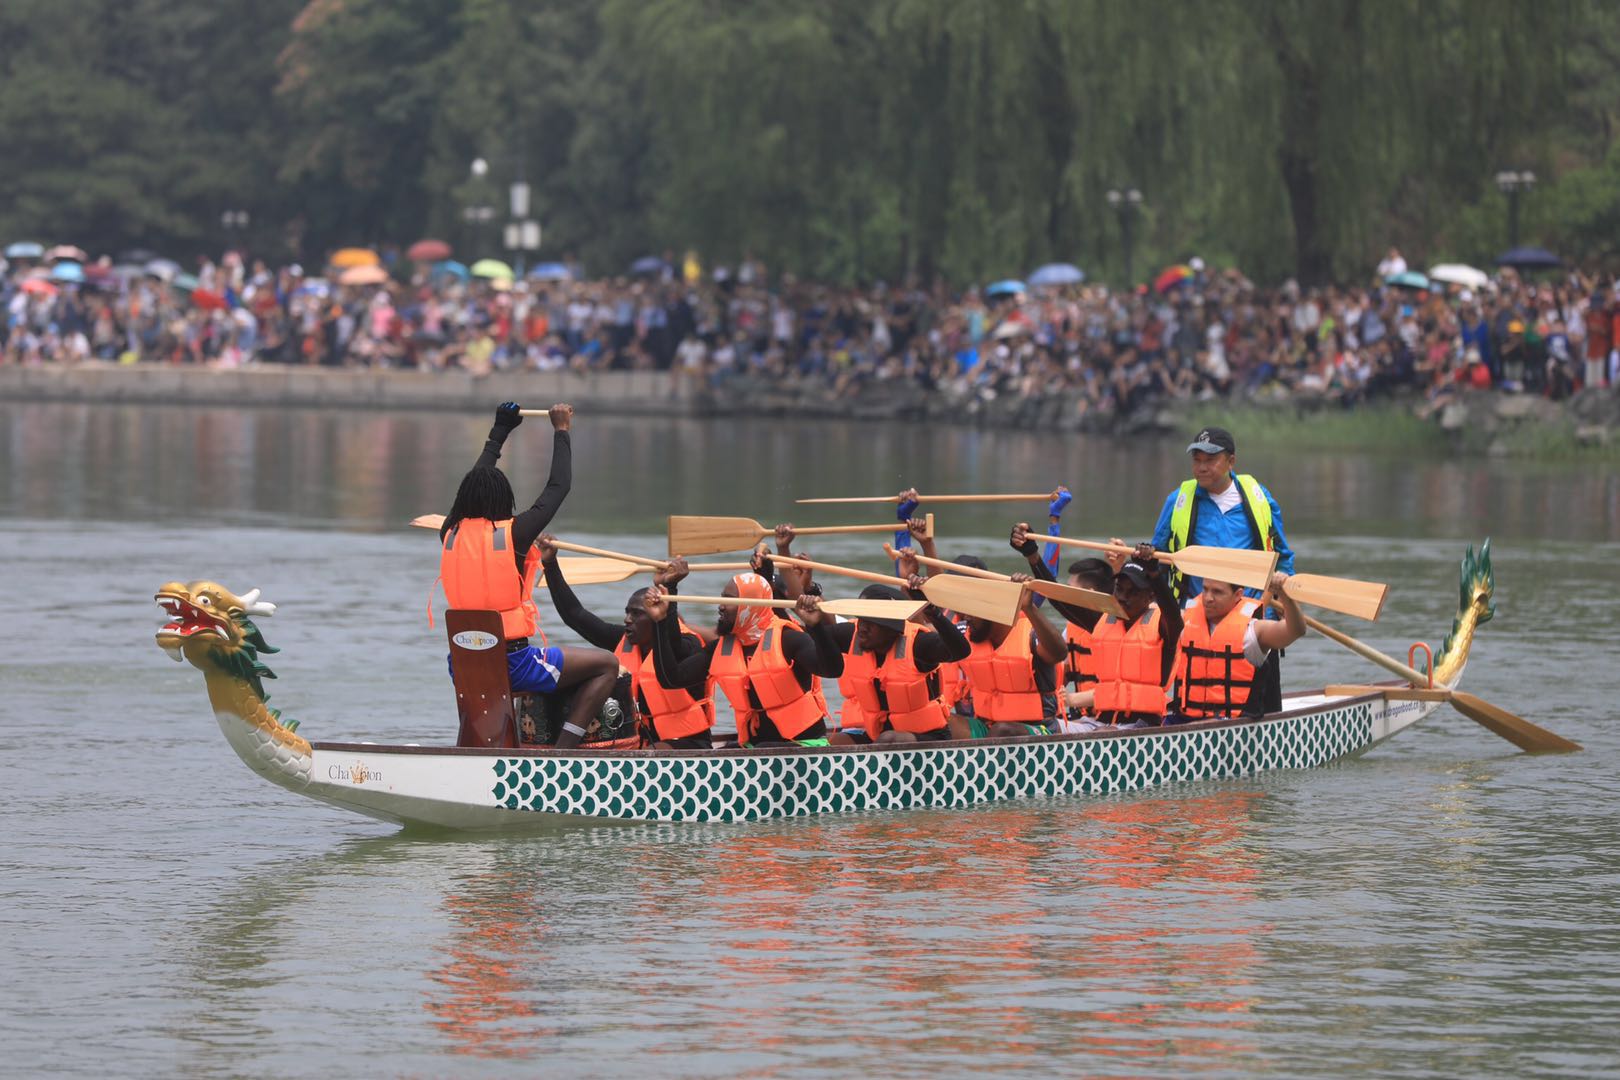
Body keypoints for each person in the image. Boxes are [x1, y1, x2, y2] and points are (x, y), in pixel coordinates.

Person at [438, 401, 618, 748]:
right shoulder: (516, 534)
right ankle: (561, 756)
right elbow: (558, 487)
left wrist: (499, 432)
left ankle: (479, 745)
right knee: (607, 664)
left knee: (556, 665)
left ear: (464, 497)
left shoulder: (449, 532)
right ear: (502, 497)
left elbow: (475, 481)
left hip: (462, 665)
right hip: (513, 663)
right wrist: (561, 431)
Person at [538, 539, 716, 749]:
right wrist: (550, 564)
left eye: (637, 614)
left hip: (689, 744)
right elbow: (574, 615)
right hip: (640, 744)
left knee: (653, 752)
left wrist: (670, 587)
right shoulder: (624, 640)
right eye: (627, 612)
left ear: (655, 614)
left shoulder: (688, 644)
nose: (627, 620)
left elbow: (672, 638)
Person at [645, 572, 843, 747]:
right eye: (723, 598)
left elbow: (833, 670)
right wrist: (659, 621)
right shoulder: (722, 648)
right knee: (741, 752)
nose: (721, 606)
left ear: (750, 606)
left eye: (729, 600)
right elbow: (671, 680)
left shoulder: (789, 639)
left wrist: (816, 628)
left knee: (765, 748)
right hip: (754, 749)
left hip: (805, 746)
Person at [1150, 426, 1295, 605]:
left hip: (1249, 611)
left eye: (1210, 460)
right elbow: (1157, 556)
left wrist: (1284, 600)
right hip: (1195, 610)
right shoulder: (1177, 500)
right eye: (1197, 460)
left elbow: (1282, 555)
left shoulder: (1260, 497)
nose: (1201, 468)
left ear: (1231, 461)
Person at [1008, 522, 1123, 728]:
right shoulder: (1072, 629)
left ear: (1091, 594)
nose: (1066, 594)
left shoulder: (1113, 624)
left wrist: (1033, 557)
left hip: (1109, 724)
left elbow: (1057, 600)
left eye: (1070, 589)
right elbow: (1059, 672)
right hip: (1081, 720)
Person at [826, 579, 970, 744]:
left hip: (928, 738)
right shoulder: (856, 634)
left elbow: (961, 651)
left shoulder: (918, 644)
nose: (863, 628)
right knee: (838, 741)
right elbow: (817, 636)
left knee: (889, 738)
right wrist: (812, 622)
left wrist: (934, 613)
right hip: (878, 735)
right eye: (861, 620)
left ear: (891, 629)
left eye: (872, 623)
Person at [947, 564, 1068, 738]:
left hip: (1038, 730)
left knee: (1003, 731)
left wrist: (1029, 608)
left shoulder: (1031, 635)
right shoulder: (966, 632)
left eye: (972, 612)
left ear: (994, 611)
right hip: (986, 726)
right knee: (941, 723)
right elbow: (924, 637)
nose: (965, 617)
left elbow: (1059, 653)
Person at [1169, 572, 1305, 722]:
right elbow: (1148, 606)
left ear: (1237, 595)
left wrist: (1285, 596)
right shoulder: (1183, 622)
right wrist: (1148, 570)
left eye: (1217, 592)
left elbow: (1295, 631)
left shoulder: (1253, 630)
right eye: (1205, 589)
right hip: (1185, 720)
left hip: (1234, 727)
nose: (1208, 598)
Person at [1090, 544, 1185, 728]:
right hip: (1101, 724)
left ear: (1150, 597)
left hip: (1143, 727)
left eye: (1132, 592)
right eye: (1119, 589)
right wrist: (1033, 556)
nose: (1123, 597)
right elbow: (1060, 603)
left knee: (1105, 732)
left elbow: (1174, 616)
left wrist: (1155, 574)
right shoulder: (1104, 621)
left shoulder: (1163, 627)